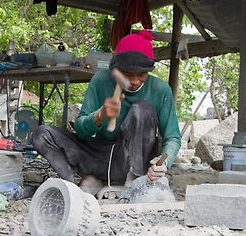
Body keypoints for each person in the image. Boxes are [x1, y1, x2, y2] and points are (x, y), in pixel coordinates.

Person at [31, 30, 181, 195]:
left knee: (141, 110)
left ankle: (134, 181)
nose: (135, 80)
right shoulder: (101, 80)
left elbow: (172, 138)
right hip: (101, 156)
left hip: (134, 159)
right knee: (41, 134)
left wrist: (162, 164)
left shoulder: (160, 90)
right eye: (128, 74)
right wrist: (99, 116)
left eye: (141, 74)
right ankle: (75, 183)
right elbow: (80, 130)